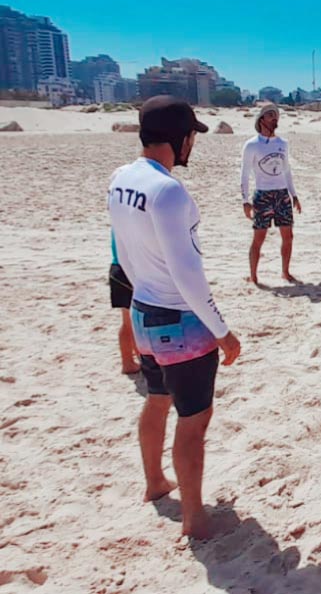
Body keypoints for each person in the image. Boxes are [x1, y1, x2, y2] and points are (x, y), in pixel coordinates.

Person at [109, 95, 241, 539]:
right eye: (191, 136)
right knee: (193, 420)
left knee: (156, 399)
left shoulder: (121, 179)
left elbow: (125, 256)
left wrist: (144, 295)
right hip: (181, 322)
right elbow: (188, 275)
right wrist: (222, 331)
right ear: (180, 138)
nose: (193, 145)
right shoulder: (168, 192)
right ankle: (194, 518)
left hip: (143, 311)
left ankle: (154, 482)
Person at [241, 103, 302, 285]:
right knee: (259, 237)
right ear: (261, 120)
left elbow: (287, 170)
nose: (274, 118)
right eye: (270, 115)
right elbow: (244, 173)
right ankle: (253, 276)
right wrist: (245, 200)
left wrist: (294, 195)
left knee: (288, 236)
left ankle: (285, 272)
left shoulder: (283, 144)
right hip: (263, 196)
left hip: (282, 195)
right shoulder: (252, 145)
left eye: (276, 115)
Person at [109, 230, 140, 374]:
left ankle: (128, 362)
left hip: (117, 268)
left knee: (127, 322)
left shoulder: (118, 219)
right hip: (131, 269)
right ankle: (132, 362)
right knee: (136, 321)